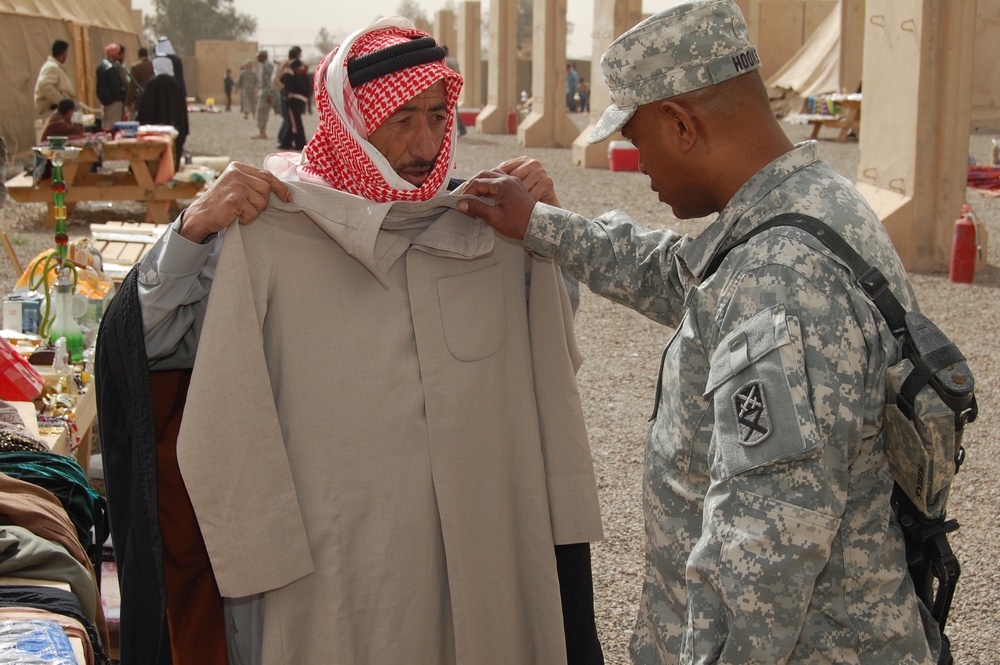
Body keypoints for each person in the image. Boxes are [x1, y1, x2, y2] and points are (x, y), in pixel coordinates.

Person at [97, 16, 605, 665]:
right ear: (350, 119)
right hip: (331, 591)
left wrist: (545, 234)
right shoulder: (266, 233)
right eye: (401, 119)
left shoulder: (486, 225)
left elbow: (550, 347)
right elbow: (152, 350)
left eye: (434, 114)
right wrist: (192, 232)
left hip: (477, 573)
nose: (425, 142)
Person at [457, 1, 943, 663]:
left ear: (682, 125)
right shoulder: (804, 209)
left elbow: (764, 561)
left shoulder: (778, 277)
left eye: (635, 138)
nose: (638, 162)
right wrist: (544, 225)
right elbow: (685, 277)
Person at [136, 57, 188, 171]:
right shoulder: (176, 86)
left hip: (153, 134)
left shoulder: (151, 84)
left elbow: (144, 111)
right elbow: (182, 113)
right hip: (174, 131)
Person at [277, 47, 310, 150]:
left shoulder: (289, 66)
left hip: (293, 97)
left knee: (295, 121)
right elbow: (308, 82)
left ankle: (299, 143)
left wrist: (287, 95)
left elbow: (288, 82)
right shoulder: (303, 66)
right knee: (294, 120)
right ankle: (287, 142)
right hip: (302, 97)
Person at [34, 40, 76, 119]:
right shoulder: (52, 67)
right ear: (64, 53)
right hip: (52, 109)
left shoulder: (55, 66)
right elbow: (44, 85)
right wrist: (61, 102)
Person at [96, 43, 127, 127]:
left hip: (105, 101)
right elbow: (115, 86)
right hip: (114, 102)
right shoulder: (111, 68)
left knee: (106, 124)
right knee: (113, 126)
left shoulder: (101, 66)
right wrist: (120, 97)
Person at [442, 45, 467, 136]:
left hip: (447, 87)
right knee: (454, 108)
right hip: (455, 87)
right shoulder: (453, 60)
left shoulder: (444, 61)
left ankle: (459, 129)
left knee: (451, 110)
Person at [252, 50, 276, 138]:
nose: (257, 58)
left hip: (267, 92)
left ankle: (262, 133)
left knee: (262, 111)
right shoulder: (265, 66)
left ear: (264, 56)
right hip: (265, 91)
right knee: (261, 111)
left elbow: (269, 81)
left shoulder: (267, 66)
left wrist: (269, 94)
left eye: (259, 56)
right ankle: (262, 131)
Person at [127, 47, 154, 118]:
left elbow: (132, 86)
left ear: (138, 56)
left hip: (141, 99)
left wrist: (129, 103)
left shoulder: (136, 68)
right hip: (154, 97)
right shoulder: (154, 66)